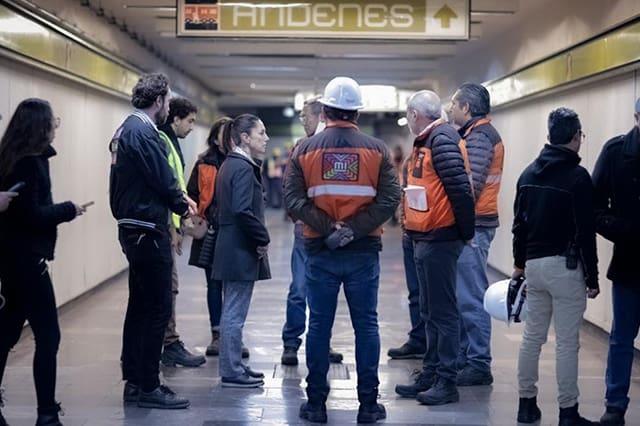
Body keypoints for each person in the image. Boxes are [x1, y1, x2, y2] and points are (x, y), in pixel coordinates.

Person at [286, 76, 401, 424]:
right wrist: (353, 230)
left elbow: (292, 200)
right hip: (363, 250)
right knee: (366, 325)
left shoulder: (303, 150)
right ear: (356, 113)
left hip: (319, 251)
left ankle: (316, 405)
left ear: (325, 110)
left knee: (319, 326)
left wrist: (328, 228)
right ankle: (367, 405)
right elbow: (390, 198)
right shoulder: (378, 150)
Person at [109, 73, 195, 409]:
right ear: (158, 100)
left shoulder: (125, 129)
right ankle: (149, 385)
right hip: (147, 227)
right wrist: (181, 205)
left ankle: (134, 382)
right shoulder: (144, 131)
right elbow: (162, 176)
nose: (168, 107)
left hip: (134, 226)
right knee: (157, 307)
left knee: (140, 306)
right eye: (168, 100)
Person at [0, 98, 85, 426]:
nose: (55, 127)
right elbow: (32, 215)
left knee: (6, 335)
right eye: (52, 122)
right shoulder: (29, 163)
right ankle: (47, 415)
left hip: (10, 262)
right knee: (48, 336)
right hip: (27, 263)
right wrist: (68, 209)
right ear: (39, 127)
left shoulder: (11, 157)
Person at [512, 108, 599, 425]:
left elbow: (518, 227)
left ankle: (526, 405)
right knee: (566, 343)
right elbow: (585, 231)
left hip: (533, 267)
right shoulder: (578, 178)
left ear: (549, 137)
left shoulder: (527, 175)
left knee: (532, 339)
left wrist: (519, 266)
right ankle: (567, 412)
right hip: (566, 267)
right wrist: (592, 276)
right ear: (575, 137)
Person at [394, 90, 475, 406]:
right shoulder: (429, 140)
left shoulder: (441, 140)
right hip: (425, 237)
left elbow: (460, 190)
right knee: (429, 310)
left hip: (440, 238)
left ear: (415, 115)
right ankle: (430, 373)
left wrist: (465, 233)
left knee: (442, 312)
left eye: (408, 115)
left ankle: (446, 380)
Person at [448, 83, 504, 386]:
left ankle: (479, 363)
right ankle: (464, 358)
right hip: (473, 225)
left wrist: (460, 226)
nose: (450, 108)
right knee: (463, 294)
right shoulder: (472, 135)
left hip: (475, 227)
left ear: (466, 108)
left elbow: (470, 186)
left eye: (454, 103)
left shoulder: (480, 137)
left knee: (471, 296)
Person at [281, 96, 343, 367]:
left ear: (319, 116)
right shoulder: (302, 147)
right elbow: (290, 189)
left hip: (329, 232)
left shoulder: (332, 146)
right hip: (307, 229)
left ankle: (321, 342)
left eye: (304, 115)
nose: (301, 120)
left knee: (324, 290)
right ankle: (292, 344)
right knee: (300, 287)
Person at [212, 114, 271, 388]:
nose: (266, 138)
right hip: (239, 249)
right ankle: (231, 370)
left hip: (232, 246)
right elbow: (242, 210)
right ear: (245, 138)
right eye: (261, 133)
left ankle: (234, 365)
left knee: (232, 310)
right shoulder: (243, 167)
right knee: (234, 313)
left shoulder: (230, 164)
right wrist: (262, 237)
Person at [187, 117, 251, 359]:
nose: (230, 138)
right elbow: (192, 193)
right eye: (226, 134)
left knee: (233, 284)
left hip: (234, 231)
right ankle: (218, 334)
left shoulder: (241, 161)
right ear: (215, 138)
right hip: (211, 232)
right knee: (214, 283)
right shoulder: (204, 164)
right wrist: (199, 217)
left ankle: (233, 335)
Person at [593, 98, 640, 426]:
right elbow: (593, 206)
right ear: (636, 116)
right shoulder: (616, 153)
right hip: (629, 262)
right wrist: (622, 230)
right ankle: (615, 406)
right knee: (622, 338)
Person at [157, 97, 206, 368]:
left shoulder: (171, 142)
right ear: (174, 118)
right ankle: (168, 343)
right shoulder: (163, 141)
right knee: (168, 285)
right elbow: (166, 187)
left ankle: (167, 341)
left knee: (168, 285)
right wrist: (173, 226)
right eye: (189, 121)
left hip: (170, 223)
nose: (191, 127)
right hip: (164, 225)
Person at [387, 158, 427, 360]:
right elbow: (404, 194)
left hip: (431, 235)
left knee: (435, 297)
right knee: (415, 293)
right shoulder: (412, 159)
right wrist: (405, 224)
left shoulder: (444, 149)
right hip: (411, 233)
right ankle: (419, 341)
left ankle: (441, 354)